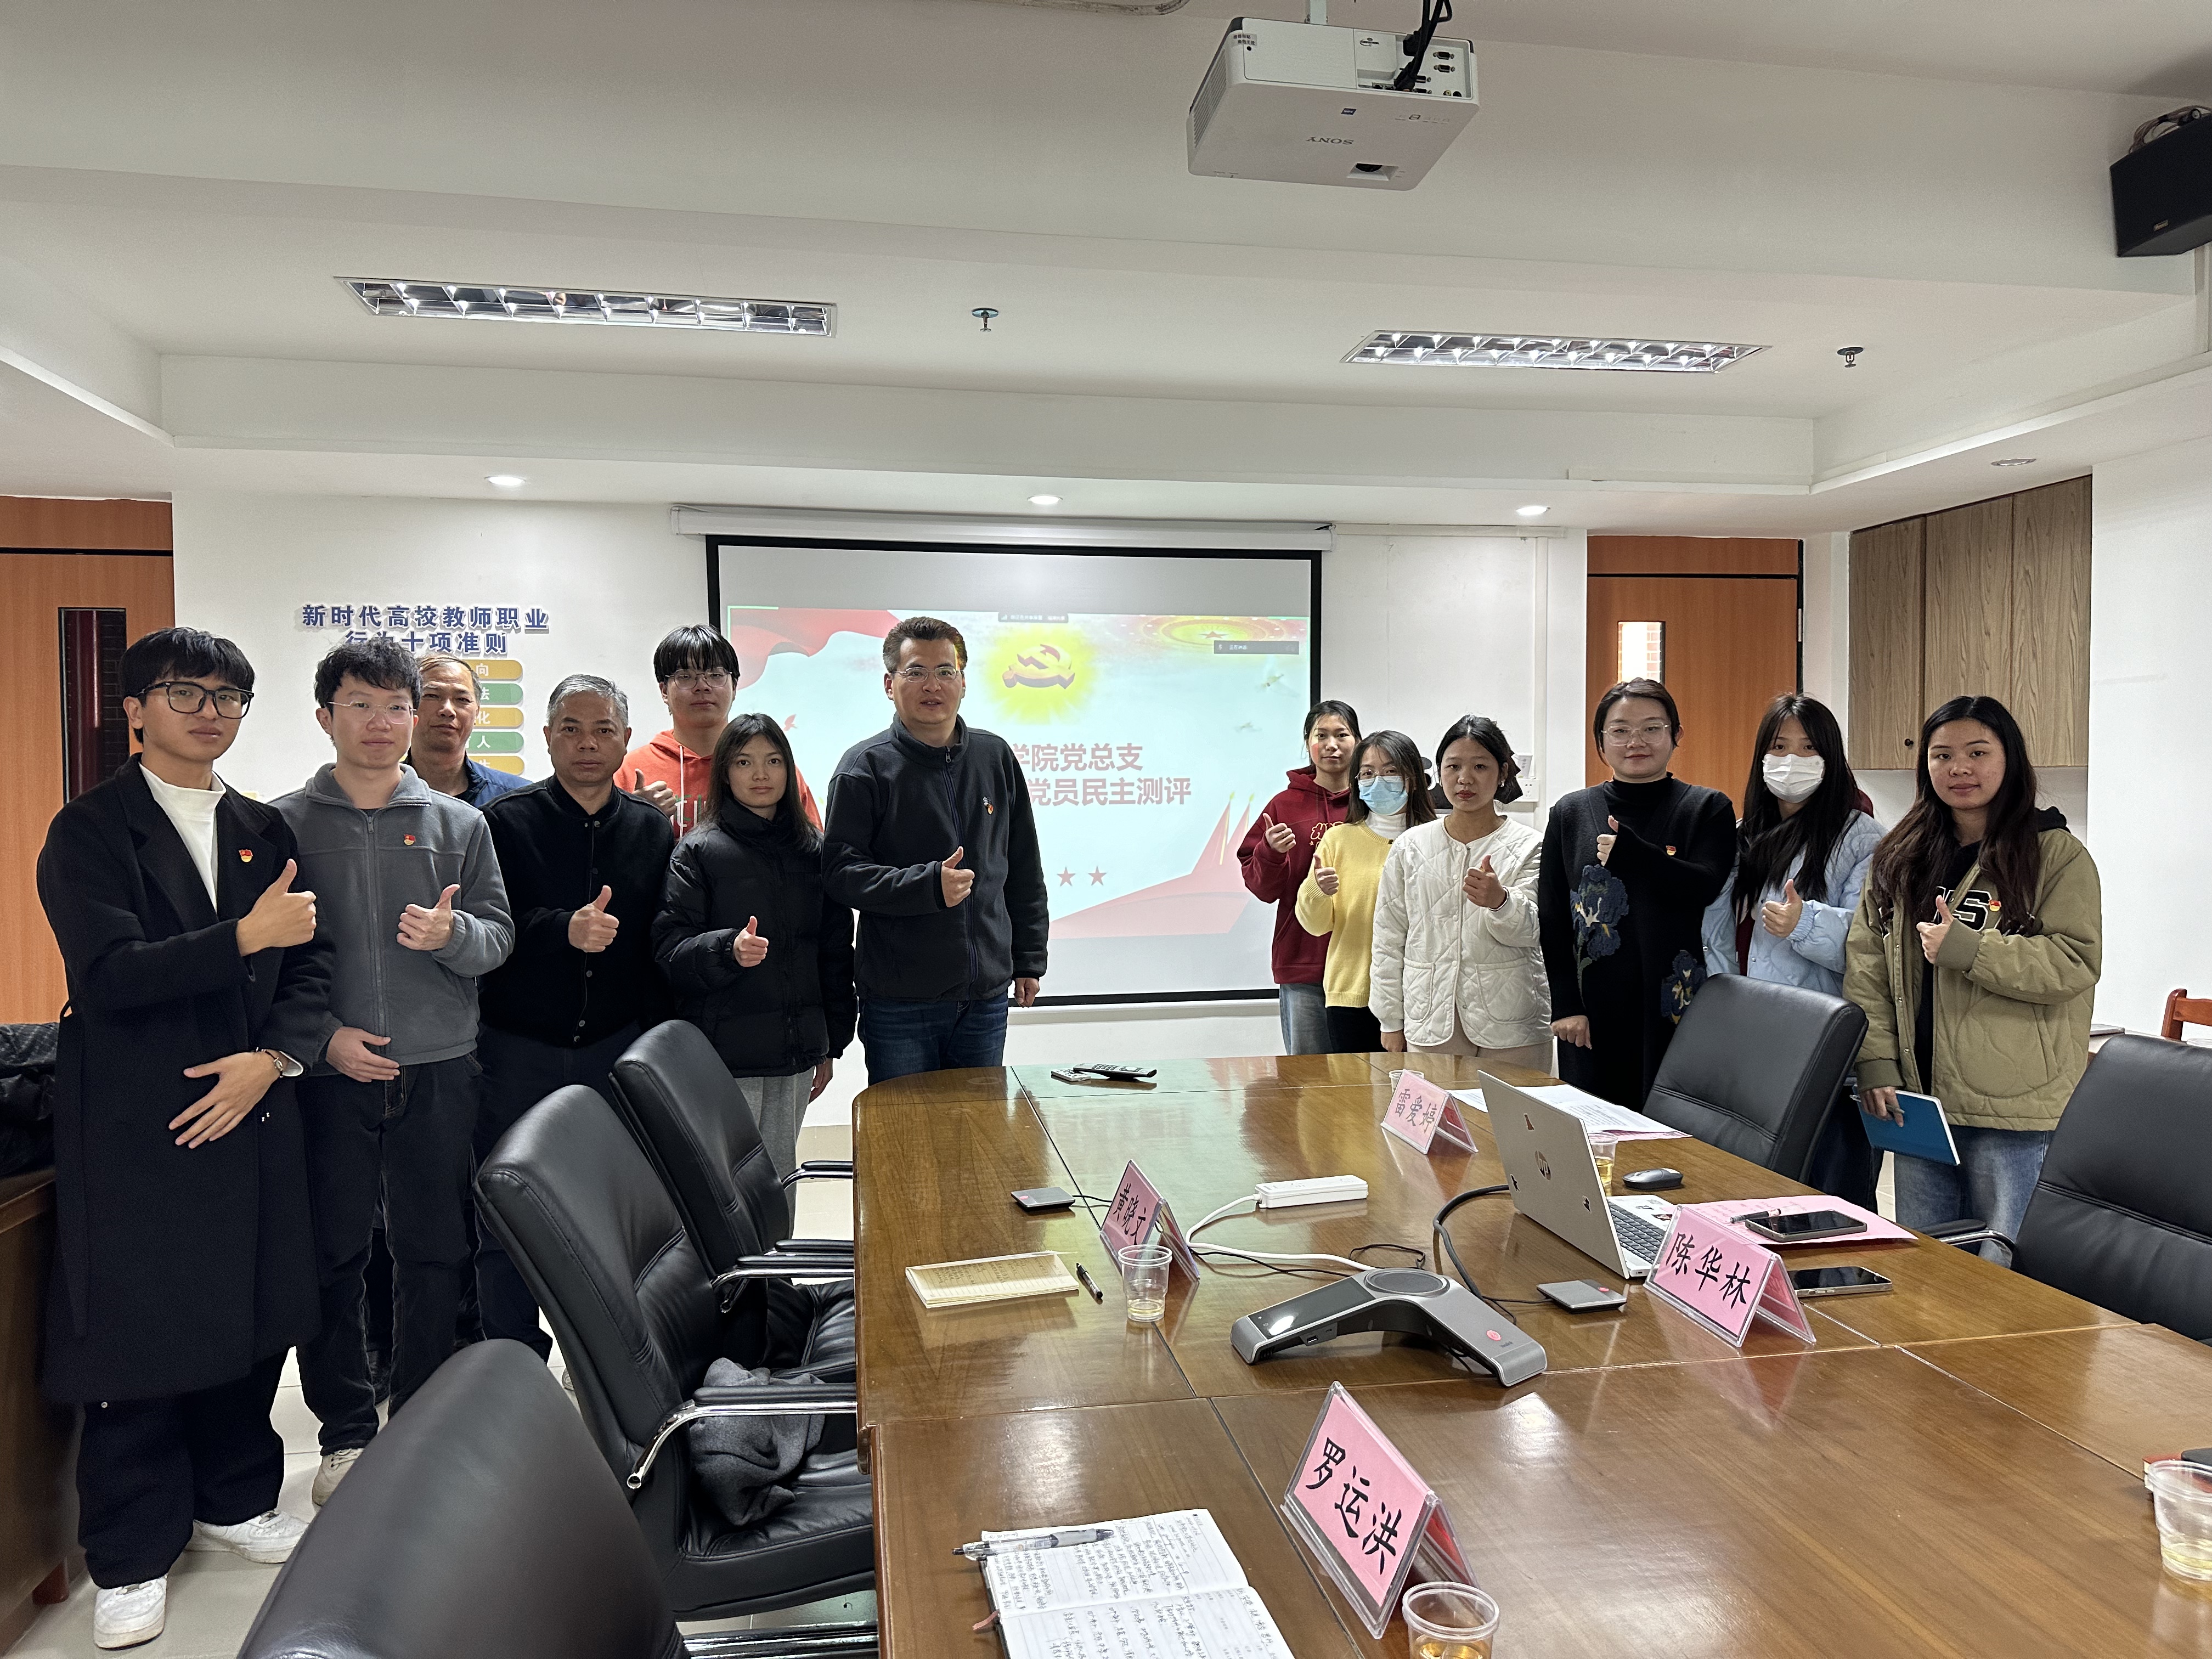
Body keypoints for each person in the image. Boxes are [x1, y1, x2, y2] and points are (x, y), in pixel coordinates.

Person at [35, 629, 328, 1649]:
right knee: (139, 1327)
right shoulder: (89, 829)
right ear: (135, 709)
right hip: (141, 1115)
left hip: (253, 1100)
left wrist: (274, 1060)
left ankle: (236, 1498)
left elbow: (313, 968)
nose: (210, 711)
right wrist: (243, 937)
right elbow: (108, 974)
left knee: (249, 1308)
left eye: (228, 696)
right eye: (185, 692)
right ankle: (129, 1549)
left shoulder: (259, 826)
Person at [276, 636, 512, 1505]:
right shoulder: (280, 825)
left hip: (440, 1065)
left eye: (395, 707)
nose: (381, 723)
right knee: (333, 1255)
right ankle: (345, 1434)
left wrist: (454, 936)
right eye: (360, 705)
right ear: (325, 716)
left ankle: (420, 1422)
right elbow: (263, 964)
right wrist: (322, 1039)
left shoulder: (462, 825)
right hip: (330, 1073)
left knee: (435, 1250)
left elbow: (498, 938)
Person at [1844, 695, 2101, 1260]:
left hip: (2013, 1106)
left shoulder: (2055, 855)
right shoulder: (1901, 853)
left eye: (1978, 753)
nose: (1959, 768)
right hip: (1919, 1099)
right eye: (1942, 755)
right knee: (1928, 1262)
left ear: (2010, 759)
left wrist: (1972, 951)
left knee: (2004, 1264)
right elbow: (1867, 964)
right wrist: (1876, 1060)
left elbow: (2074, 962)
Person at [476, 674, 673, 1356]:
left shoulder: (651, 828)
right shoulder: (505, 822)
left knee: (607, 1212)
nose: (587, 743)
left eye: (603, 730)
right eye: (571, 729)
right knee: (505, 1205)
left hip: (613, 1051)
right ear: (548, 737)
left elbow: (659, 944)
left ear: (625, 739)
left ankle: (605, 1360)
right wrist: (563, 928)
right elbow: (490, 927)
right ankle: (512, 1360)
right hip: (517, 1049)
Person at [821, 616, 1048, 1082]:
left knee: (978, 1124)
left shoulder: (994, 757)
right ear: (890, 684)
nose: (933, 685)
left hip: (984, 999)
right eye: (916, 672)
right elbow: (841, 874)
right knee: (905, 1127)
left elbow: (1023, 867)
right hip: (901, 1002)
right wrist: (926, 887)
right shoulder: (864, 768)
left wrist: (1028, 959)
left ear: (963, 682)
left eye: (946, 671)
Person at [1702, 694, 1884, 1207]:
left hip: (1821, 1041)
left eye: (1808, 749)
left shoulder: (1863, 837)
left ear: (1831, 758)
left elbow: (1871, 946)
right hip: (1749, 1036)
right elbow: (1717, 931)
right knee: (1757, 1190)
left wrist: (1805, 923)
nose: (1791, 761)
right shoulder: (1743, 834)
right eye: (1779, 747)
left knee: (1828, 1194)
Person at [655, 713, 856, 1177]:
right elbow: (669, 950)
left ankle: (782, 1234)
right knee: (729, 1183)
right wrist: (728, 949)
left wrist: (831, 1042)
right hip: (725, 1054)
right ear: (725, 772)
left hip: (797, 1051)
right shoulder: (698, 851)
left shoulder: (815, 850)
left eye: (773, 761)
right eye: (744, 762)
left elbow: (834, 952)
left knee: (781, 1175)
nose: (761, 774)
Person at [1538, 679, 1736, 1108]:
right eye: (1621, 730)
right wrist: (1565, 1005)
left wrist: (1637, 855)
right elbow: (1552, 916)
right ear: (1601, 741)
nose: (1636, 742)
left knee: (1674, 1128)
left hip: (1679, 1007)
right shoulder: (1570, 812)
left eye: (1651, 728)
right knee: (1595, 1128)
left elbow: (1704, 886)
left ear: (1676, 735)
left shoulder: (1708, 808)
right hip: (1592, 1014)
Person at [1370, 716, 1549, 1070]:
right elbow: (1389, 937)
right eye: (1453, 767)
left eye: (1480, 766)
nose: (1465, 779)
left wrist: (1501, 903)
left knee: (1514, 1108)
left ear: (1503, 773)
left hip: (1513, 1021)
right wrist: (1390, 1018)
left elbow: (1537, 932)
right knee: (1438, 1108)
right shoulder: (1411, 846)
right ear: (1440, 773)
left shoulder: (1531, 846)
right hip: (1430, 1016)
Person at [1295, 730, 1436, 1053]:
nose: (1378, 781)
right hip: (1352, 994)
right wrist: (1319, 890)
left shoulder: (1434, 839)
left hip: (1422, 995)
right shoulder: (1338, 840)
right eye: (1368, 773)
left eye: (1390, 771)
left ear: (1413, 778)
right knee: (1353, 1086)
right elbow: (1315, 925)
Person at [1237, 701, 1359, 1056]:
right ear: (1308, 743)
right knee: (1309, 1079)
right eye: (1322, 736)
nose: (1332, 745)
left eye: (1342, 735)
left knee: (1366, 1077)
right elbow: (1262, 889)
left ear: (1358, 741)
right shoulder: (1283, 806)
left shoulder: (1371, 803)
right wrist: (1271, 852)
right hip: (1304, 963)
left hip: (1363, 963)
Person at [623, 624, 820, 836]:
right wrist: (633, 817)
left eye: (716, 675)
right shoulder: (630, 770)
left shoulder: (770, 768)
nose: (703, 686)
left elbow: (811, 846)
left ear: (734, 687)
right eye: (685, 676)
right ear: (664, 691)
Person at [407, 652, 529, 808]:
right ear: (408, 707)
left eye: (462, 699)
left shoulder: (518, 799)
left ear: (477, 713)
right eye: (432, 695)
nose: (448, 710)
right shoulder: (381, 794)